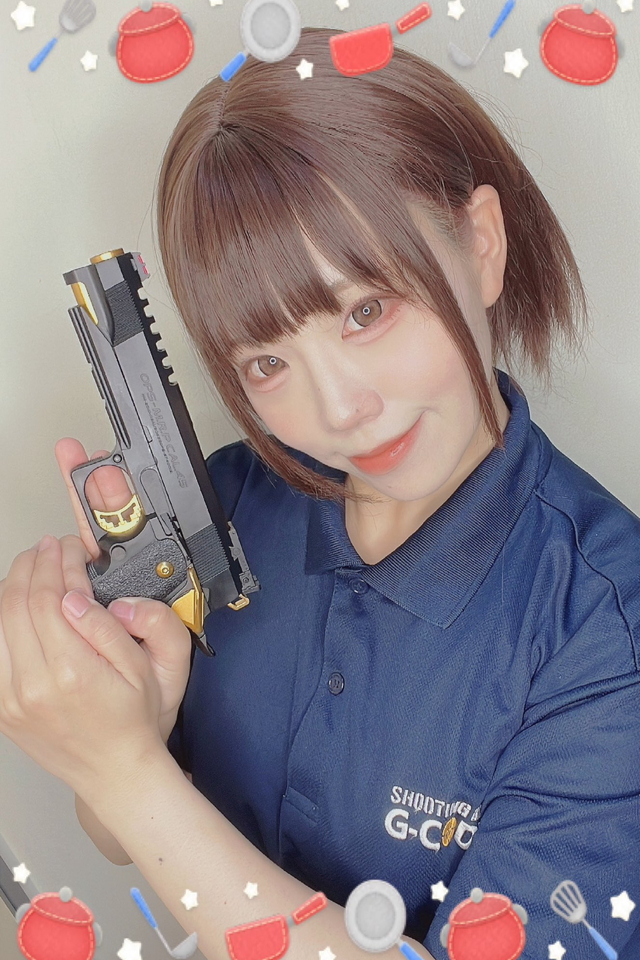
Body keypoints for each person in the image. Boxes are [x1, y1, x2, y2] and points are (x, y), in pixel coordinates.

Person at [1, 26, 640, 960]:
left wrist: (123, 768)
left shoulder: (605, 629)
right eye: (267, 362)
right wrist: (122, 716)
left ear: (482, 244)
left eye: (366, 311)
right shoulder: (228, 504)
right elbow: (125, 836)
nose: (341, 411)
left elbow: (137, 797)